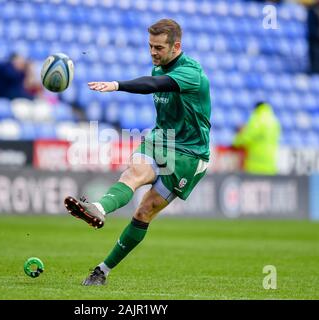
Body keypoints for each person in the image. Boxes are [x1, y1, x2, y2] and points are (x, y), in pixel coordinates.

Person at [63, 19, 211, 286]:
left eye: (159, 47)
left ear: (176, 46)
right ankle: (98, 208)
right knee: (135, 172)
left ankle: (102, 270)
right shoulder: (158, 66)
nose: (153, 52)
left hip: (190, 154)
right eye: (150, 46)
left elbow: (154, 86)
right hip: (161, 139)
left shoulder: (191, 73)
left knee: (144, 212)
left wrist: (117, 85)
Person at [232, 101, 281, 175]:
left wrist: (236, 140)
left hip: (256, 164)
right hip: (271, 164)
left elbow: (247, 138)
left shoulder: (257, 119)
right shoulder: (274, 121)